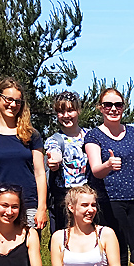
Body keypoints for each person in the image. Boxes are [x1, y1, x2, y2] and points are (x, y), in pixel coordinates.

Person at [85, 88, 134, 266]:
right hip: (109, 201)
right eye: (108, 105)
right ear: (100, 108)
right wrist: (108, 165)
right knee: (116, 250)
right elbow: (96, 170)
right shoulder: (94, 136)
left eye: (118, 105)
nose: (113, 109)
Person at [0, 78, 48, 230]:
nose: (13, 105)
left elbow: (40, 173)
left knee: (30, 250)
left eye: (18, 101)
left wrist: (42, 207)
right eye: (8, 99)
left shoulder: (31, 135)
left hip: (28, 204)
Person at [44, 91, 90, 233]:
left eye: (70, 110)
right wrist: (53, 162)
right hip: (63, 201)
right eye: (61, 111)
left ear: (78, 111)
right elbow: (54, 152)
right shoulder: (54, 140)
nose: (66, 115)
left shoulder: (91, 136)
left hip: (87, 200)